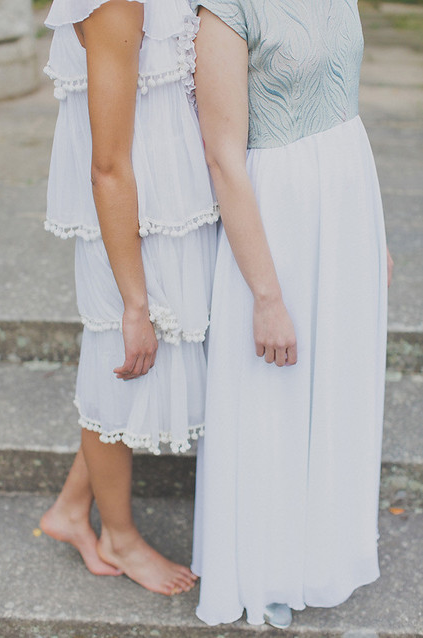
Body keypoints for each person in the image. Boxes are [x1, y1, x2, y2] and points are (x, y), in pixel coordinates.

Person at [191, 0, 394, 628]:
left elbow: (342, 98)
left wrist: (372, 234)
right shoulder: (224, 11)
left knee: (338, 387)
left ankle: (322, 553)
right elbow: (223, 157)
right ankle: (268, 566)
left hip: (346, 204)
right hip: (277, 218)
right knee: (274, 393)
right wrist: (267, 296)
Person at [39, 0, 217, 596]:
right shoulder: (115, 4)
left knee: (138, 369)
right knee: (123, 366)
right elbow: (109, 165)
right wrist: (133, 303)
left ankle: (71, 508)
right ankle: (118, 535)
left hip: (167, 211)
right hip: (130, 226)